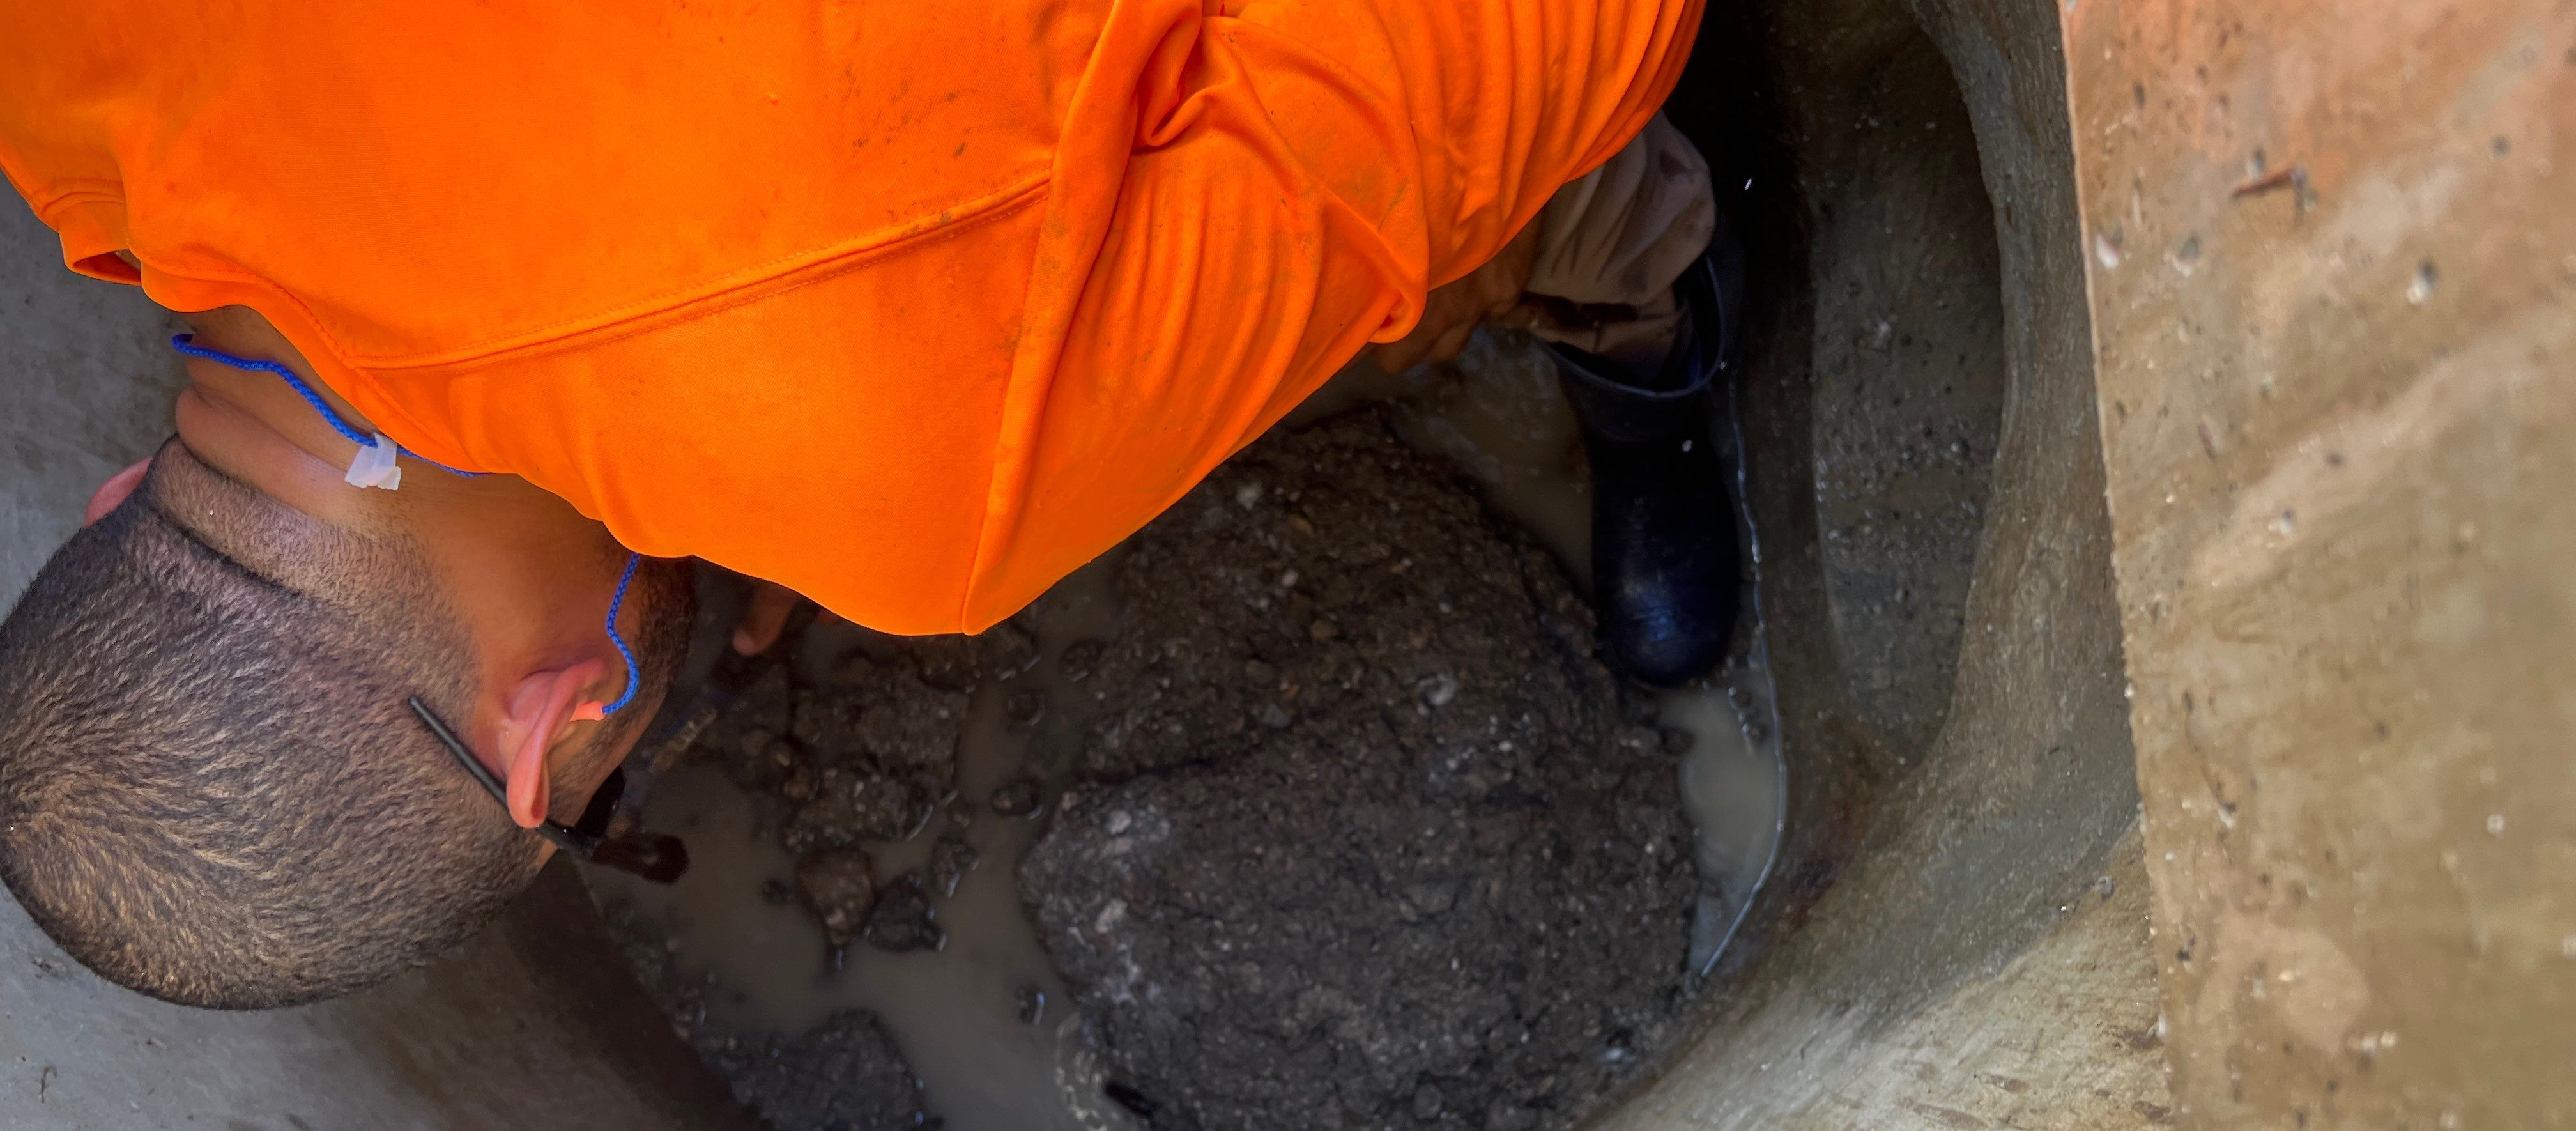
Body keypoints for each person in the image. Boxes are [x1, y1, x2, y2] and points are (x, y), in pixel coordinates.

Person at [0, 0, 1740, 1009]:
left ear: (556, 729)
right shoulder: (50, 77)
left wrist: (898, 437)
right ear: (116, 497)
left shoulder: (912, 481)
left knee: (1473, 204)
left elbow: (1551, 27)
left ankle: (1635, 306)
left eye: (595, 801)